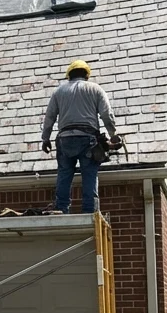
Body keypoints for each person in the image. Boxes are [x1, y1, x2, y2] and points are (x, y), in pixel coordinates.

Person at [41, 60, 120, 214]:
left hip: (65, 140)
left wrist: (46, 138)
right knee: (89, 174)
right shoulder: (95, 89)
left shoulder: (59, 92)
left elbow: (49, 117)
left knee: (64, 173)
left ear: (69, 76)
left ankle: (61, 208)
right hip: (88, 140)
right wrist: (113, 134)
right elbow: (106, 114)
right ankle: (90, 211)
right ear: (86, 75)